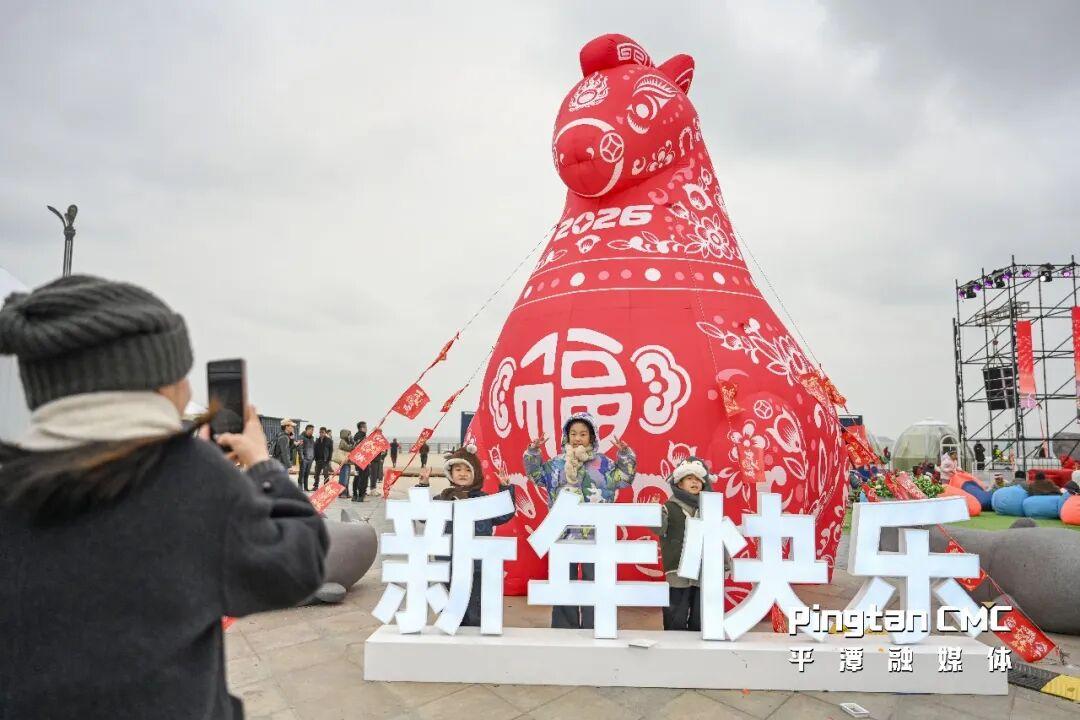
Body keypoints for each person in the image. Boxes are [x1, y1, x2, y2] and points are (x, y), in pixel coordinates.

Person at [0, 274, 328, 720]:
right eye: (180, 372)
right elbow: (296, 566)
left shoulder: (12, 479)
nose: (188, 388)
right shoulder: (192, 476)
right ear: (156, 380)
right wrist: (261, 466)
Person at [523, 412, 636, 629]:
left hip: (596, 535)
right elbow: (536, 475)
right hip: (563, 533)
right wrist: (533, 452)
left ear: (592, 437)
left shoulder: (604, 464)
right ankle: (565, 628)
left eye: (583, 434)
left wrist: (624, 455)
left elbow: (624, 479)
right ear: (566, 436)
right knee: (564, 582)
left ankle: (597, 625)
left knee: (596, 582)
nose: (577, 438)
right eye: (573, 433)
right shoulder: (557, 464)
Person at [422, 445, 515, 626]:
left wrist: (505, 489)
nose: (463, 473)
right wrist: (423, 486)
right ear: (450, 473)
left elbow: (504, 514)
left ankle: (474, 634)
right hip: (448, 563)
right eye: (458, 469)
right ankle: (452, 628)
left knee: (476, 606)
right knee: (449, 606)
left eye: (467, 469)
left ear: (476, 473)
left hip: (477, 565)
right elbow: (424, 516)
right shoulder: (443, 499)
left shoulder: (484, 500)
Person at [659, 457, 712, 631]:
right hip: (678, 569)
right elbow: (658, 529)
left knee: (700, 618)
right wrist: (655, 515)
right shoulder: (668, 507)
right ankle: (673, 645)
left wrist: (724, 563)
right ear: (679, 483)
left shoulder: (709, 509)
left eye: (698, 479)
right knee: (675, 615)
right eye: (689, 478)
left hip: (702, 570)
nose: (694, 482)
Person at [352, 421, 369, 502]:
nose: (366, 429)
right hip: (363, 460)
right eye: (365, 427)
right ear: (362, 428)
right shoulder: (362, 436)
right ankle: (361, 496)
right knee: (363, 477)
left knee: (357, 476)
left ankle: (354, 495)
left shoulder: (355, 436)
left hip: (356, 460)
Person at [334, 429, 353, 497]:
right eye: (349, 434)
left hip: (347, 462)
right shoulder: (343, 441)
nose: (350, 436)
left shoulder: (348, 441)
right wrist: (354, 444)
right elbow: (349, 448)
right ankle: (342, 493)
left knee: (347, 478)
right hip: (344, 462)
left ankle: (346, 493)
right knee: (343, 478)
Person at [297, 424, 316, 491]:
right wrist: (302, 458)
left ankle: (306, 487)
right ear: (307, 430)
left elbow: (313, 448)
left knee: (307, 474)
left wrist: (313, 457)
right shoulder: (301, 437)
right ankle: (300, 488)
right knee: (302, 474)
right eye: (311, 430)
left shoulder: (312, 438)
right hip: (304, 459)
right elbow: (300, 448)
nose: (312, 431)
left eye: (313, 430)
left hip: (310, 459)